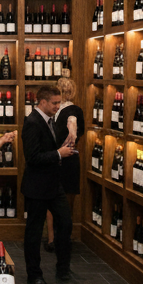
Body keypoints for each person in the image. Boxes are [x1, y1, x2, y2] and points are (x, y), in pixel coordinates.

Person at [20, 85, 75, 284]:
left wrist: (67, 142)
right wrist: (59, 154)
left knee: (66, 223)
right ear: (42, 102)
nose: (57, 106)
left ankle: (63, 269)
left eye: (59, 102)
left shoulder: (51, 120)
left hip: (54, 184)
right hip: (36, 186)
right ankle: (35, 276)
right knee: (33, 233)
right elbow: (33, 158)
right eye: (54, 103)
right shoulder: (32, 123)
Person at [44, 77, 84, 256]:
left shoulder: (59, 112)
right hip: (68, 161)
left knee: (51, 200)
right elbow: (73, 131)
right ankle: (63, 239)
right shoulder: (74, 110)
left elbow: (71, 129)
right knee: (66, 203)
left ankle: (52, 238)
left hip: (56, 159)